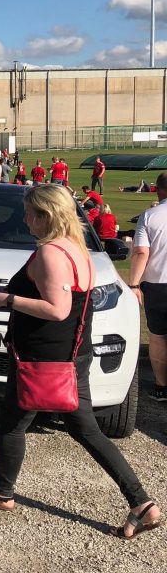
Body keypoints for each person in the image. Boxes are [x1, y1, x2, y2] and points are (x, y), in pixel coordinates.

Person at [0, 184, 159, 539]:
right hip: (71, 356)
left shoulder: (52, 253)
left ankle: (2, 493)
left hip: (43, 359)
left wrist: (7, 301)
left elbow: (58, 309)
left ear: (45, 215)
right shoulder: (76, 249)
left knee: (13, 423)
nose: (25, 220)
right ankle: (141, 502)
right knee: (85, 429)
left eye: (28, 214)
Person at [127, 171, 167, 403]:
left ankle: (162, 387)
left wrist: (133, 283)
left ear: (158, 190)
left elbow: (141, 252)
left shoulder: (150, 216)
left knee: (159, 337)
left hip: (158, 283)